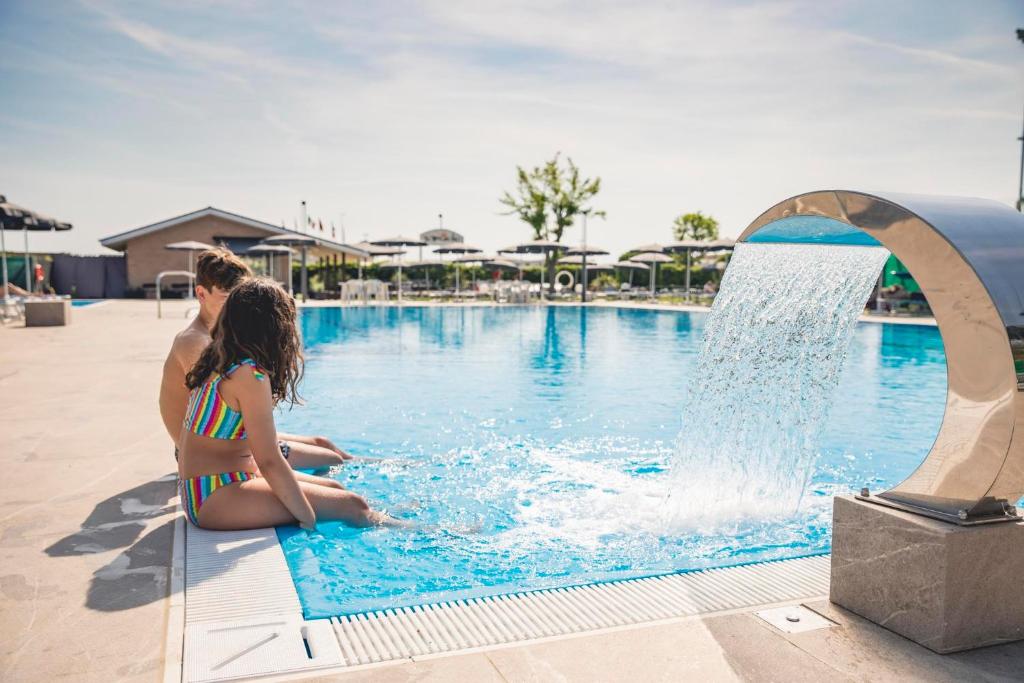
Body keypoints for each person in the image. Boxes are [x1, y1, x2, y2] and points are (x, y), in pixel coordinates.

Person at [178, 277, 398, 530]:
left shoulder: (219, 358)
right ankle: (416, 530)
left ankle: (380, 516)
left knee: (335, 489)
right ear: (275, 328)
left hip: (213, 485)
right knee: (350, 504)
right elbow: (269, 460)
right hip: (212, 496)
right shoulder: (249, 374)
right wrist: (306, 516)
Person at [159, 248, 348, 469]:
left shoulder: (224, 337)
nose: (238, 306)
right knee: (328, 459)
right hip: (212, 456)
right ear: (201, 294)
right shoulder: (194, 342)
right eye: (229, 299)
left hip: (231, 441)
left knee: (323, 444)